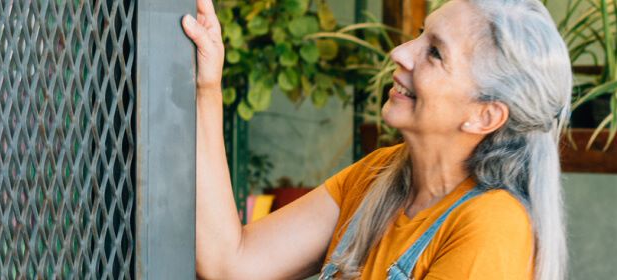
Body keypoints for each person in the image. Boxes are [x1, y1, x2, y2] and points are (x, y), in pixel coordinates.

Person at [182, 0, 571, 278]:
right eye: (420, 35)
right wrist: (207, 87)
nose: (401, 52)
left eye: (434, 52)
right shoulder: (379, 176)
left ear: (484, 115)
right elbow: (231, 263)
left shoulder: (492, 227)